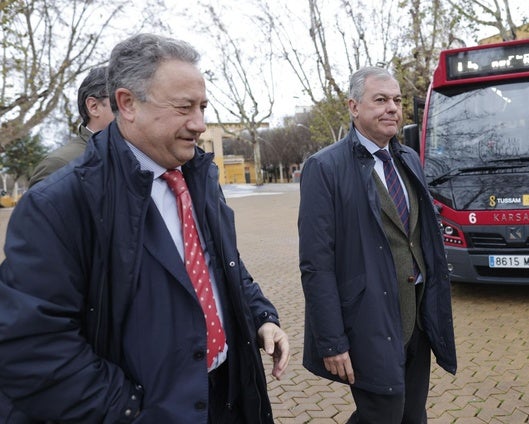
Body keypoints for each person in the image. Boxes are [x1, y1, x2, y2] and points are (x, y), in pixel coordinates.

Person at [0, 33, 290, 423]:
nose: (200, 124)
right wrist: (129, 410)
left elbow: (223, 265)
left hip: (228, 397)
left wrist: (260, 317)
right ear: (127, 103)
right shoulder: (58, 203)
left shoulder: (199, 179)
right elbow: (32, 346)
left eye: (203, 107)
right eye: (185, 107)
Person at [298, 66, 457, 423]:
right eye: (380, 100)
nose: (392, 109)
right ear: (354, 107)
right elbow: (316, 264)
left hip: (417, 321)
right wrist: (332, 340)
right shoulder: (324, 168)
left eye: (397, 101)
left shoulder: (408, 159)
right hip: (367, 322)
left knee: (412, 414)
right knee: (381, 413)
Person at [28, 66, 114, 187]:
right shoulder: (60, 166)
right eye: (124, 99)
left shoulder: (138, 157)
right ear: (94, 106)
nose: (133, 109)